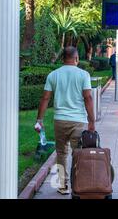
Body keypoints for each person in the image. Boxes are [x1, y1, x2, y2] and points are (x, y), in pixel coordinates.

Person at [35, 46, 95, 195]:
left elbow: (45, 98)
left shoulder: (53, 75)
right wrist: (91, 121)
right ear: (76, 58)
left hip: (60, 120)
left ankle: (63, 186)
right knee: (78, 154)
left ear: (63, 59)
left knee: (61, 153)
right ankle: (78, 185)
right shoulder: (83, 75)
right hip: (78, 121)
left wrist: (39, 119)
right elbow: (88, 98)